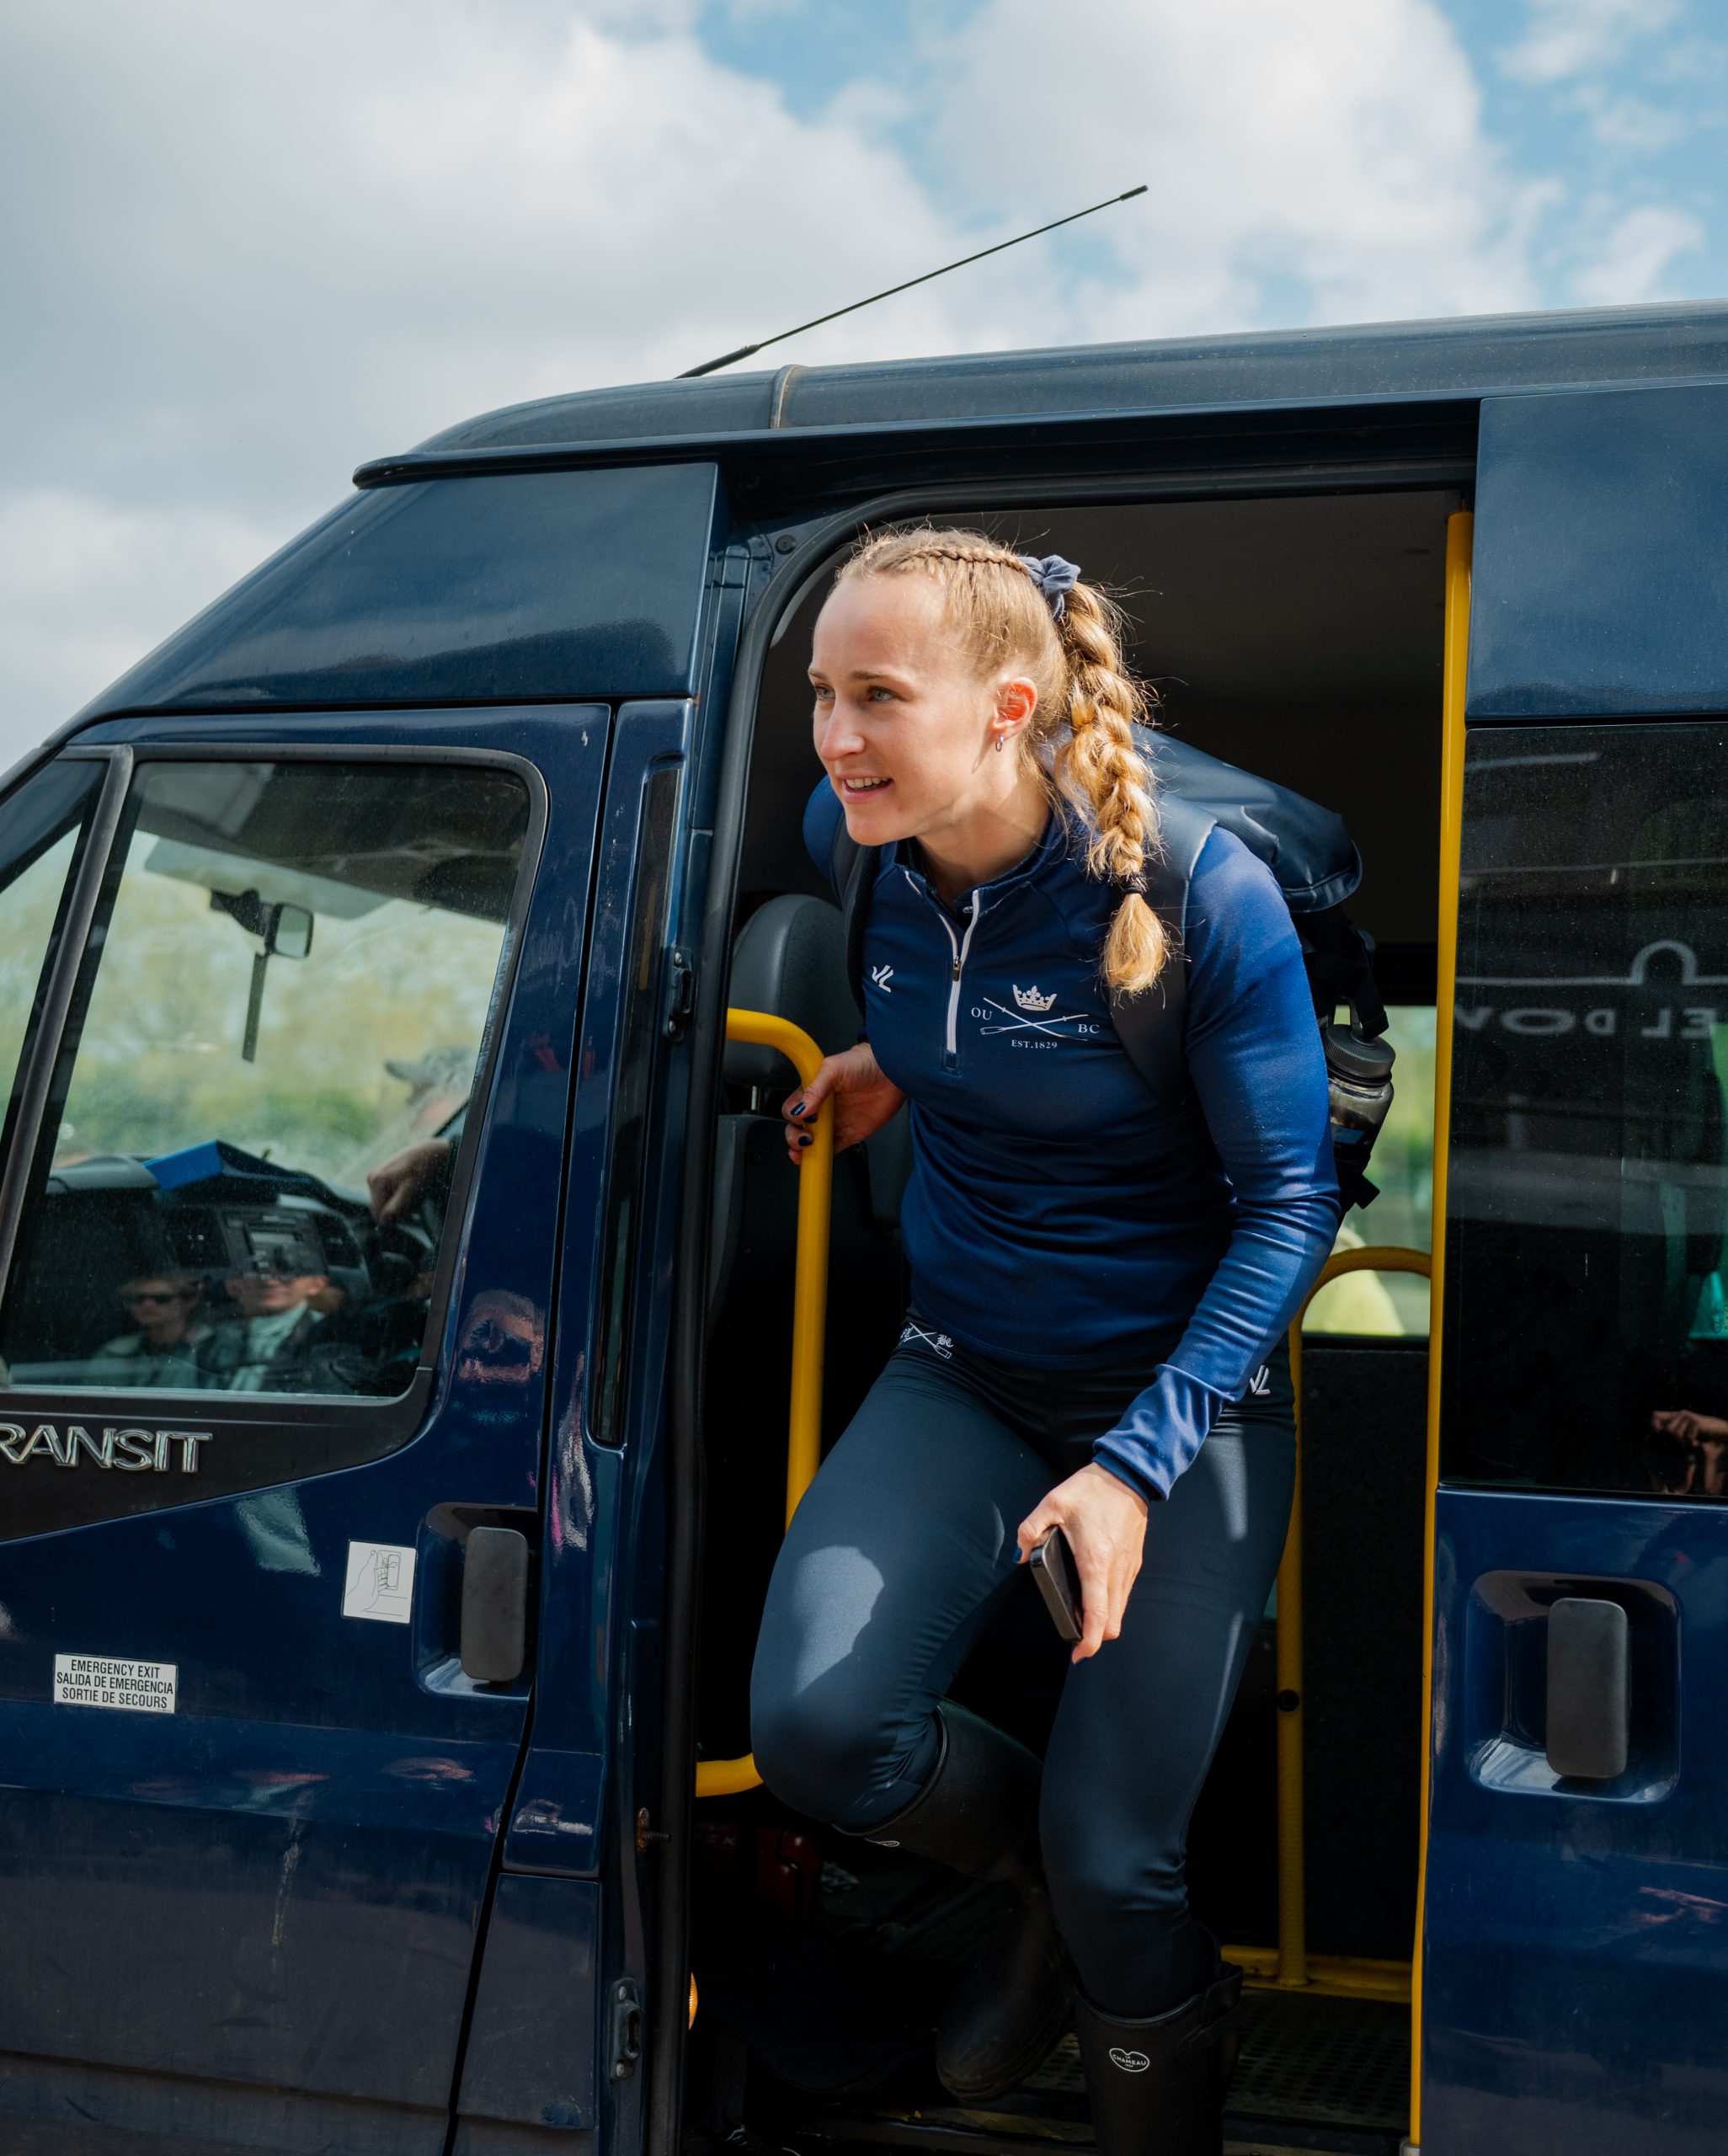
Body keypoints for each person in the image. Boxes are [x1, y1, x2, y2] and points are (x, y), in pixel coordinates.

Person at [747, 529, 1340, 2156]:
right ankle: (1030, 1891)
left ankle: (1093, 1934)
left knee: (1118, 1862)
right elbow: (972, 1007)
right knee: (816, 1737)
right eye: (821, 694)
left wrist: (1134, 1468)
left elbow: (1290, 1203)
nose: (835, 737)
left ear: (1008, 707)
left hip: (1186, 1410)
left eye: (878, 695)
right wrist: (899, 1059)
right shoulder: (854, 840)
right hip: (967, 1369)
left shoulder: (1194, 890)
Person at [86, 1272, 209, 1387]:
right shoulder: (113, 1352)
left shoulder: (213, 1347)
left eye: (162, 1299)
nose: (147, 1305)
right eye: (138, 1298)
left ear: (191, 1301)